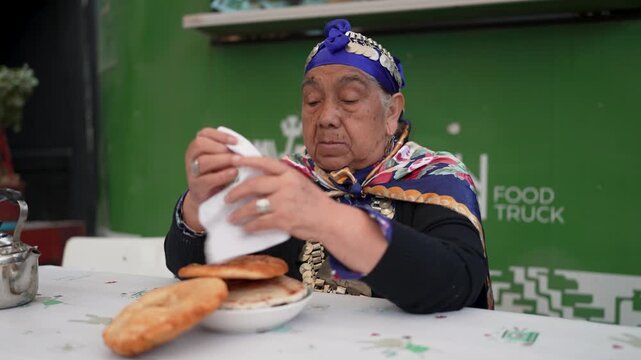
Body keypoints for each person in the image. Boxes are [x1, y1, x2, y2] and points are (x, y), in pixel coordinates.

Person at [165, 19, 493, 314]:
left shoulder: (433, 175)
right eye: (312, 101)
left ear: (392, 112)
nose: (326, 117)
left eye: (349, 99)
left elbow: (456, 282)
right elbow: (200, 268)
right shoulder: (289, 179)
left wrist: (326, 218)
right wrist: (200, 205)